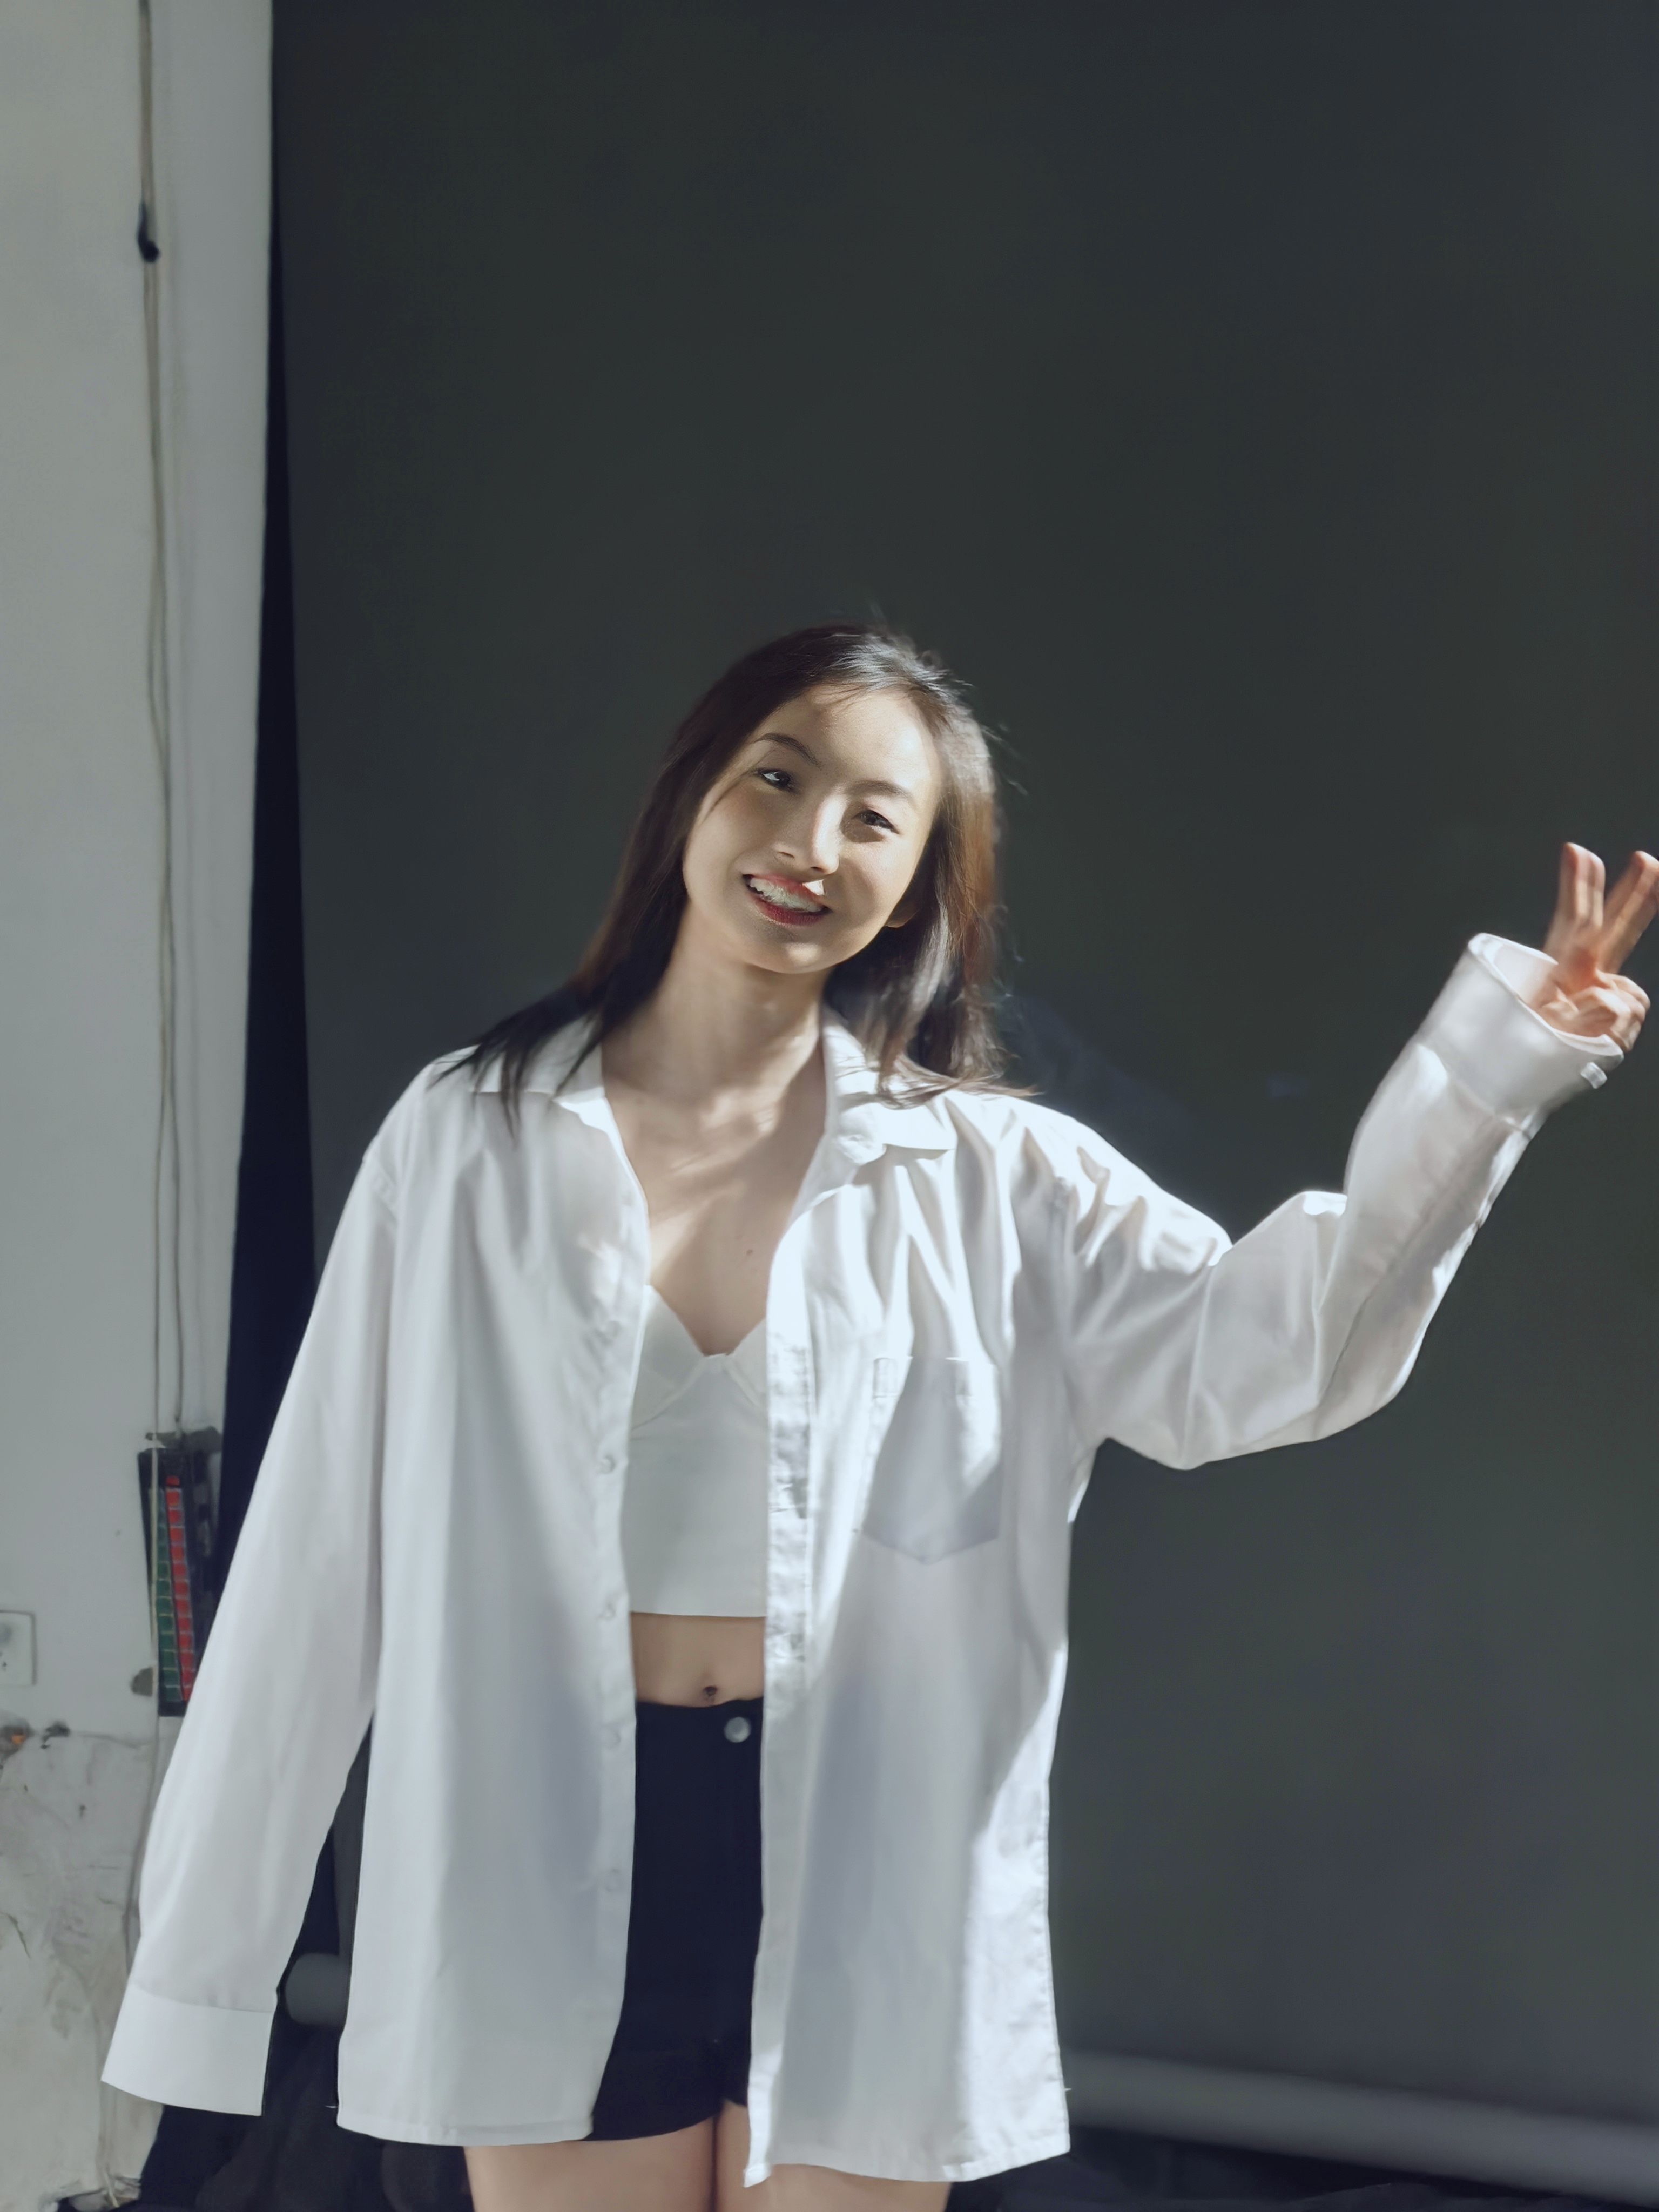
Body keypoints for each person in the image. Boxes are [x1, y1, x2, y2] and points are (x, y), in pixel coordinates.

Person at [103, 623, 1653, 2212]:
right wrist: (201, 1978)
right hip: (540, 1841)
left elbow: (1274, 1356)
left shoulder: (991, 1176)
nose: (812, 843)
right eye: (778, 778)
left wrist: (1497, 1076)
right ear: (691, 793)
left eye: (874, 818)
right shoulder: (467, 1139)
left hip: (865, 1842)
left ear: (914, 889)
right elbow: (316, 1557)